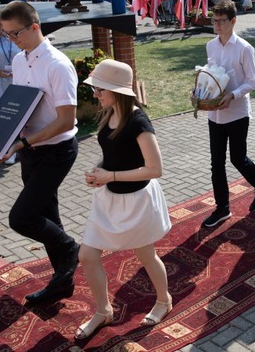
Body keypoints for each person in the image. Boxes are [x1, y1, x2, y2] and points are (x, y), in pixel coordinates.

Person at [76, 60, 172, 339]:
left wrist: (111, 176)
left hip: (137, 201)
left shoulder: (139, 121)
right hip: (109, 198)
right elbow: (112, 153)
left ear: (116, 90)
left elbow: (155, 169)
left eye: (99, 89)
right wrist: (99, 171)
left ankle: (164, 300)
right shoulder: (108, 114)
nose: (95, 94)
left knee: (146, 255)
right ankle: (104, 311)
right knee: (86, 255)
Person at [0, 1, 80, 304]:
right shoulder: (19, 61)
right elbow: (19, 110)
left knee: (22, 218)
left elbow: (66, 121)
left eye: (14, 34)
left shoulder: (58, 65)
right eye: (6, 35)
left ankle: (70, 249)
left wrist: (23, 144)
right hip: (30, 150)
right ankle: (62, 281)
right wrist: (0, 142)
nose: (11, 41)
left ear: (34, 27)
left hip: (57, 150)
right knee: (47, 216)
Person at [202, 0, 255, 228]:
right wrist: (201, 89)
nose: (217, 25)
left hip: (238, 113)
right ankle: (222, 208)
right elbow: (211, 75)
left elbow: (253, 81)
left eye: (221, 21)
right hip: (215, 115)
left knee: (238, 158)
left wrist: (233, 95)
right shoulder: (210, 46)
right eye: (214, 20)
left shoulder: (244, 48)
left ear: (233, 21)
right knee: (216, 164)